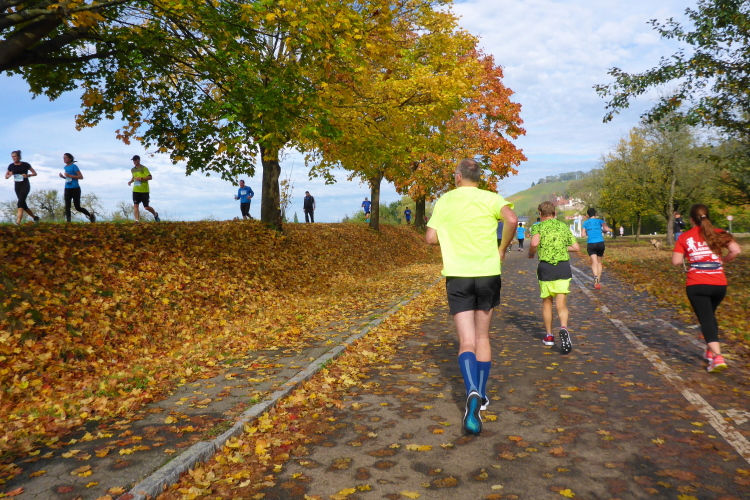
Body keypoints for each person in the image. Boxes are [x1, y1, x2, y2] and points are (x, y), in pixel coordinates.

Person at [426, 159, 517, 436]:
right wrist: (502, 248)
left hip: (459, 275)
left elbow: (430, 238)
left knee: (466, 341)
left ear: (457, 177)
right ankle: (483, 395)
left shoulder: (445, 201)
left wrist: (452, 236)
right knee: (482, 338)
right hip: (488, 274)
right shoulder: (492, 198)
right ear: (479, 177)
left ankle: (471, 391)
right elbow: (512, 220)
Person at [671, 204, 741, 373]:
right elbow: (736, 250)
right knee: (709, 317)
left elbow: (676, 261)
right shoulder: (719, 233)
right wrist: (722, 260)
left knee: (706, 320)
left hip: (697, 284)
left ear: (691, 219)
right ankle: (709, 352)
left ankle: (718, 357)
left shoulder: (685, 237)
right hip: (719, 285)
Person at [528, 202, 580, 353]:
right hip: (563, 267)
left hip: (546, 268)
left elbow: (534, 243)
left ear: (540, 214)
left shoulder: (538, 226)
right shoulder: (563, 226)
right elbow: (576, 247)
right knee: (561, 303)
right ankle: (563, 327)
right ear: (555, 213)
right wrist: (560, 247)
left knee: (547, 302)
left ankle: (549, 336)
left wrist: (531, 253)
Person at [5, 150, 40, 224]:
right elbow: (6, 176)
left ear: (19, 157)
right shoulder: (11, 166)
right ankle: (35, 217)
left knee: (20, 204)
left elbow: (35, 173)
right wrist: (10, 175)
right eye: (12, 157)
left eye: (15, 156)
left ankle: (18, 223)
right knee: (23, 204)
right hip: (17, 186)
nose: (13, 158)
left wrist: (28, 175)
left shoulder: (25, 164)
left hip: (25, 185)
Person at [59, 153, 95, 223]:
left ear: (70, 159)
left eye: (66, 157)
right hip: (67, 188)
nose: (64, 159)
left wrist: (70, 175)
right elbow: (68, 178)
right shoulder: (65, 167)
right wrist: (63, 177)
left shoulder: (74, 166)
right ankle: (68, 222)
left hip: (75, 188)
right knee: (67, 206)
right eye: (63, 158)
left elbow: (81, 177)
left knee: (77, 207)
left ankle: (90, 216)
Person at [581, 208, 611, 289]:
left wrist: (588, 232)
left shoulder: (585, 223)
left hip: (591, 243)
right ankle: (597, 282)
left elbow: (582, 235)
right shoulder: (600, 221)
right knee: (599, 262)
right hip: (600, 243)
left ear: (587, 215)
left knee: (594, 262)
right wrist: (603, 231)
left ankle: (595, 277)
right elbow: (606, 229)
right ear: (595, 214)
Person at [127, 155, 160, 222]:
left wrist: (141, 179)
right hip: (136, 190)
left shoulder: (144, 168)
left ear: (139, 160)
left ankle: (155, 214)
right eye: (133, 160)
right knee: (135, 205)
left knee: (146, 207)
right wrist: (130, 181)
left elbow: (150, 177)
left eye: (135, 160)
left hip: (144, 190)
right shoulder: (132, 170)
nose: (134, 161)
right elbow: (134, 177)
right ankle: (137, 221)